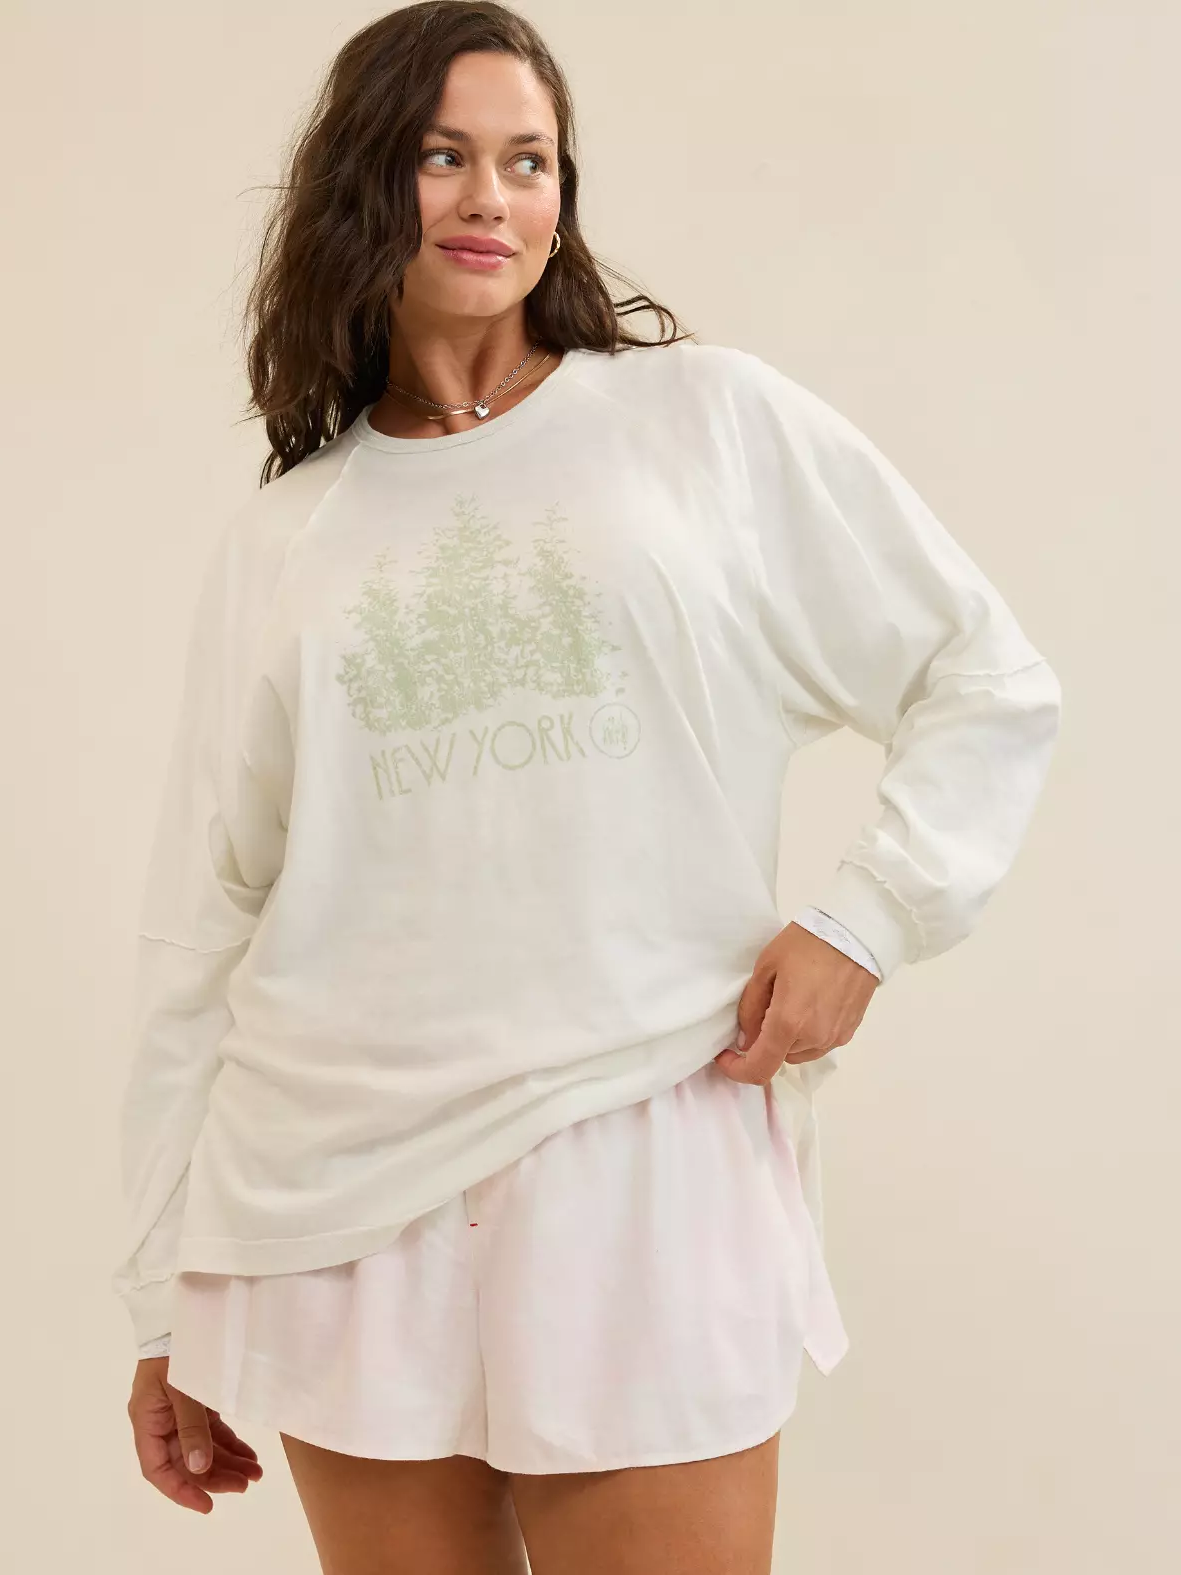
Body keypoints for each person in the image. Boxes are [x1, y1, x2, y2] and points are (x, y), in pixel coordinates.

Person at [113, 4, 1062, 1570]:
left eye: (528, 160)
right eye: (442, 156)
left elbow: (984, 676)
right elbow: (196, 927)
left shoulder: (702, 426)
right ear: (364, 181)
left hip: (641, 1151)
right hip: (331, 1193)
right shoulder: (287, 536)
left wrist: (867, 919)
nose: (490, 197)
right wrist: (162, 1297)